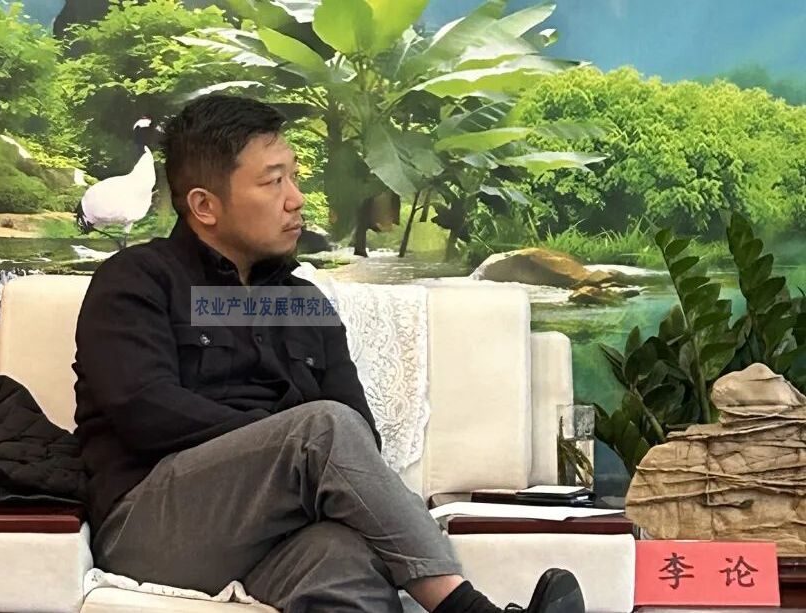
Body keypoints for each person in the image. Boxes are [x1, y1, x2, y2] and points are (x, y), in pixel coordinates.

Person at [72, 95, 585, 613]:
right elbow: (146, 411)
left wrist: (295, 461)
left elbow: (360, 430)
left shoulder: (302, 304)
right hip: (153, 527)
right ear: (205, 206)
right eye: (273, 182)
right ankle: (469, 611)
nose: (296, 199)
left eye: (294, 178)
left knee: (345, 565)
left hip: (277, 533)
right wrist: (286, 447)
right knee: (322, 429)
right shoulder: (137, 279)